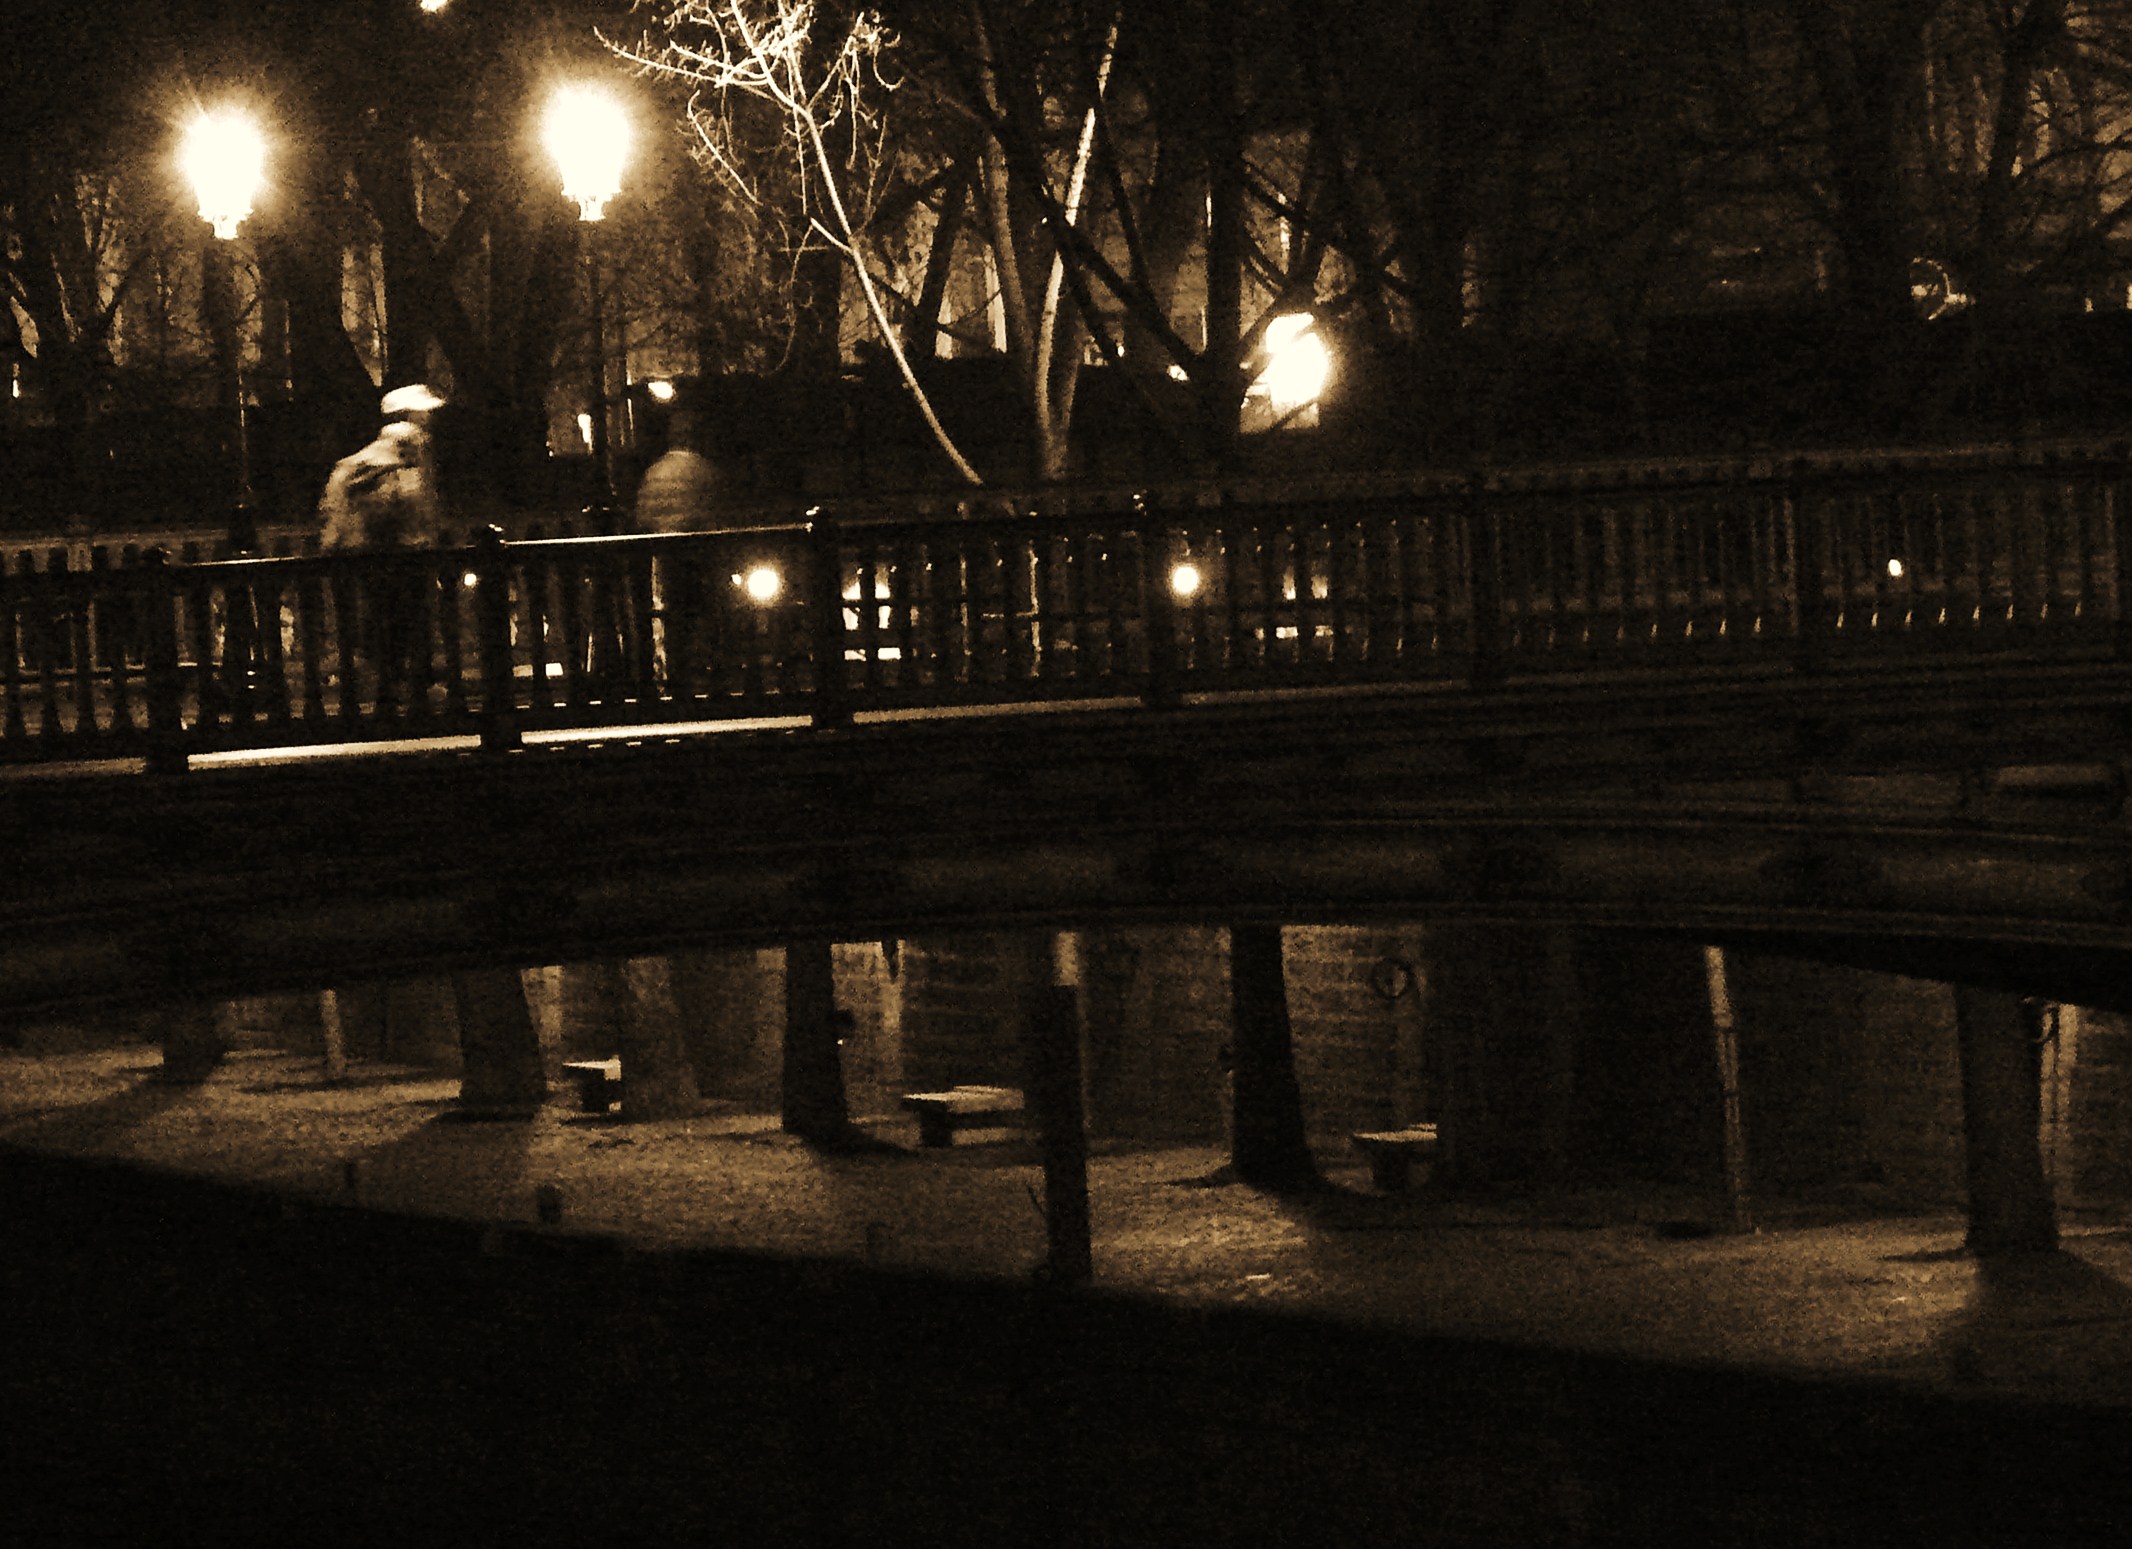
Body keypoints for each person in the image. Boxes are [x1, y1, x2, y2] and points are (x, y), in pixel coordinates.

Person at [318, 384, 448, 710]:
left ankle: (386, 690)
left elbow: (334, 516)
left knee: (379, 624)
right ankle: (414, 689)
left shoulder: (356, 464)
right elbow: (419, 511)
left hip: (364, 558)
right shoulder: (408, 453)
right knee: (410, 623)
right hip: (404, 556)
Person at [633, 409, 723, 690]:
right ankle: (712, 673)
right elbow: (717, 516)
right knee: (708, 615)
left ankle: (674, 676)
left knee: (672, 619)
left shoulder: (655, 471)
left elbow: (642, 517)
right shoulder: (704, 470)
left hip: (663, 556)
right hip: (698, 557)